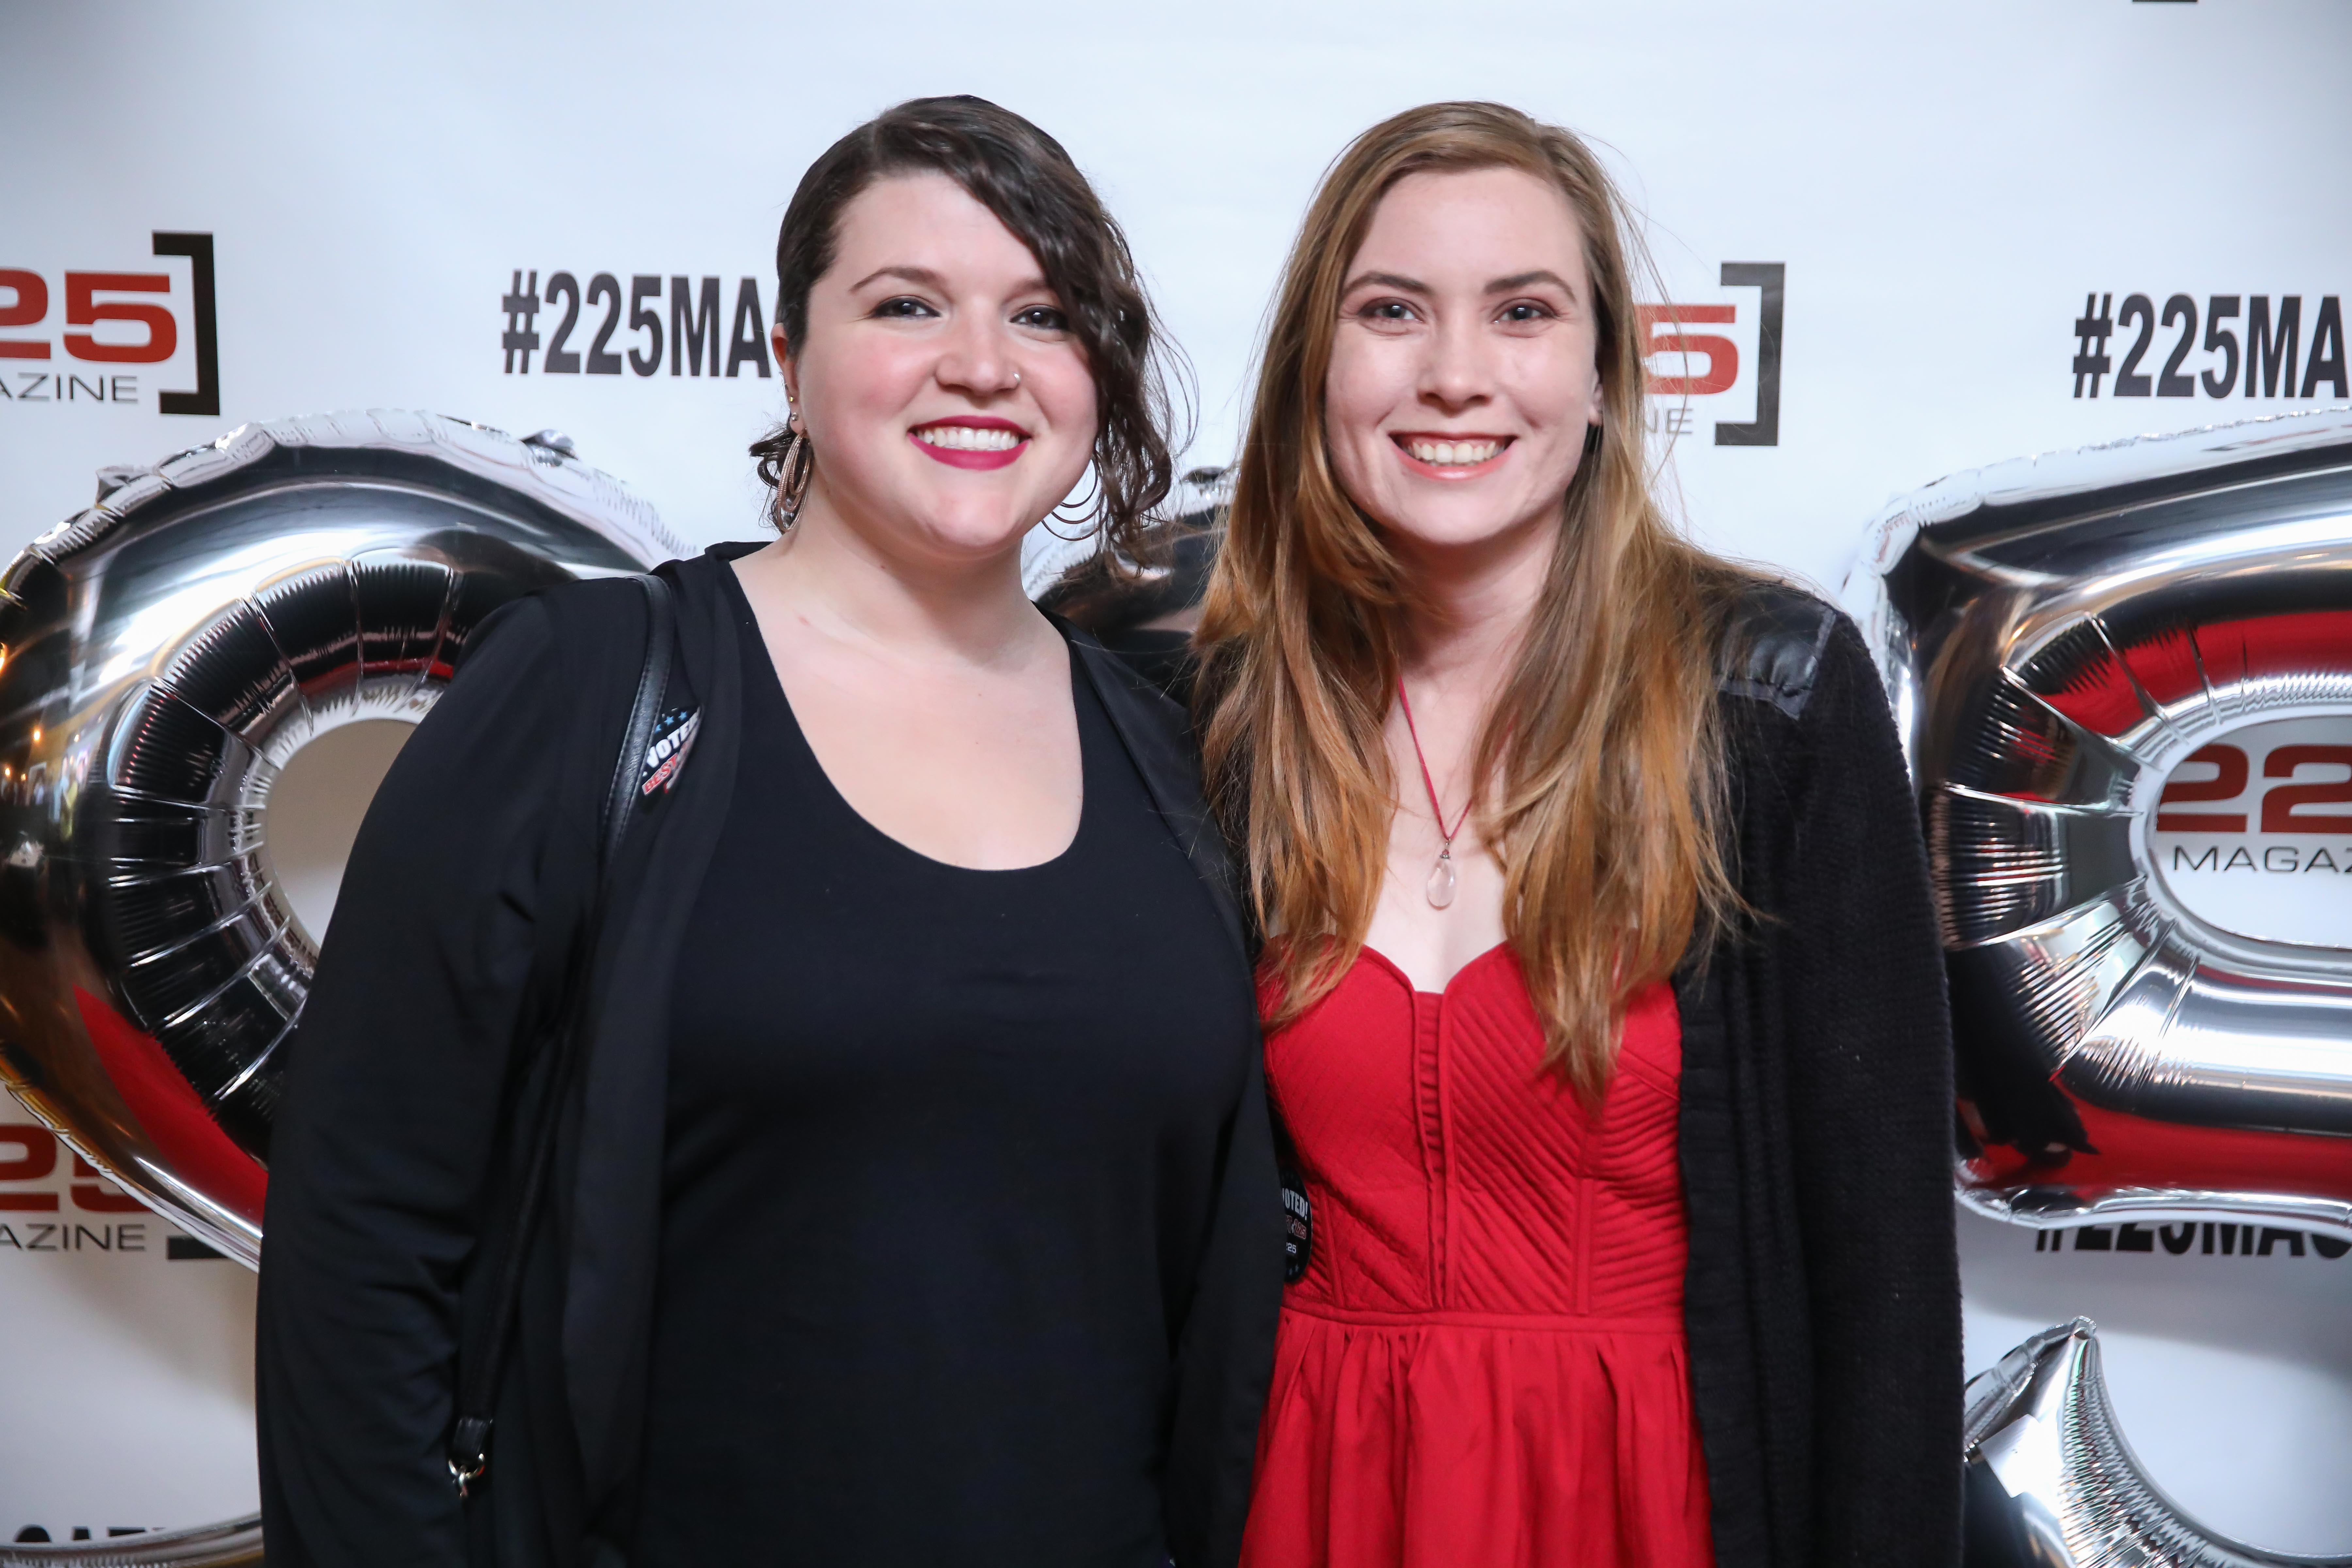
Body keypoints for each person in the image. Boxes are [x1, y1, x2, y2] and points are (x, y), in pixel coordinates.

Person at [257, 95, 1282, 1568]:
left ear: (1096, 377)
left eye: (1043, 315)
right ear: (792, 362)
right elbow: (361, 1239)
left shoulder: (1172, 757)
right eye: (908, 304)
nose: (981, 363)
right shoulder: (590, 689)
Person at [1196, 102, 1961, 1567]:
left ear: (1606, 374)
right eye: (1392, 311)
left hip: (1646, 1496)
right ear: (1316, 369)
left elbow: (1886, 1282)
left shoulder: (1770, 698)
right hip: (1309, 1490)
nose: (1455, 373)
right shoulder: (1229, 718)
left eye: (1523, 312)